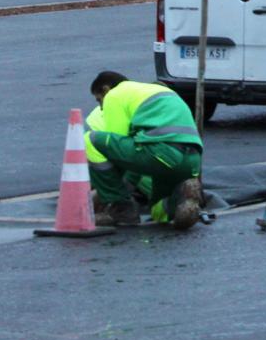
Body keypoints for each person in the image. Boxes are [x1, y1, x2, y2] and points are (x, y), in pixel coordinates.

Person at [84, 70, 204, 229]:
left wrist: (111, 194)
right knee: (158, 212)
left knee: (89, 139)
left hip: (161, 154)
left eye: (99, 100)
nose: (101, 107)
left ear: (106, 89)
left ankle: (121, 209)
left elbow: (120, 154)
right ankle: (182, 197)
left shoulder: (115, 95)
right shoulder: (160, 91)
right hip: (191, 161)